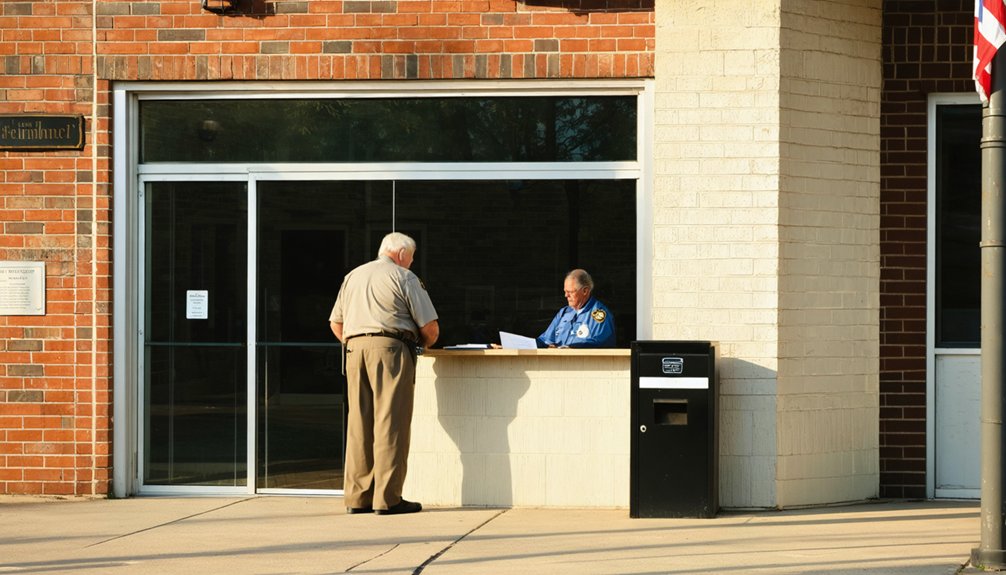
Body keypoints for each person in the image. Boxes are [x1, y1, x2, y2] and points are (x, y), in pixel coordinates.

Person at [329, 232, 439, 516]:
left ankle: (358, 498)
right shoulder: (404, 277)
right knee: (391, 422)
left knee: (359, 424)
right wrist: (422, 344)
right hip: (391, 349)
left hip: (354, 350)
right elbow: (430, 328)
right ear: (401, 254)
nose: (411, 263)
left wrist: (355, 343)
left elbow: (335, 323)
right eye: (411, 257)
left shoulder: (353, 276)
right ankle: (388, 499)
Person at [536, 269, 616, 348]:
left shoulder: (599, 315)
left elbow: (602, 343)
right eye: (565, 291)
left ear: (585, 291)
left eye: (570, 292)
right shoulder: (563, 313)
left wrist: (572, 347)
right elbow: (545, 340)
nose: (566, 295)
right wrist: (531, 343)